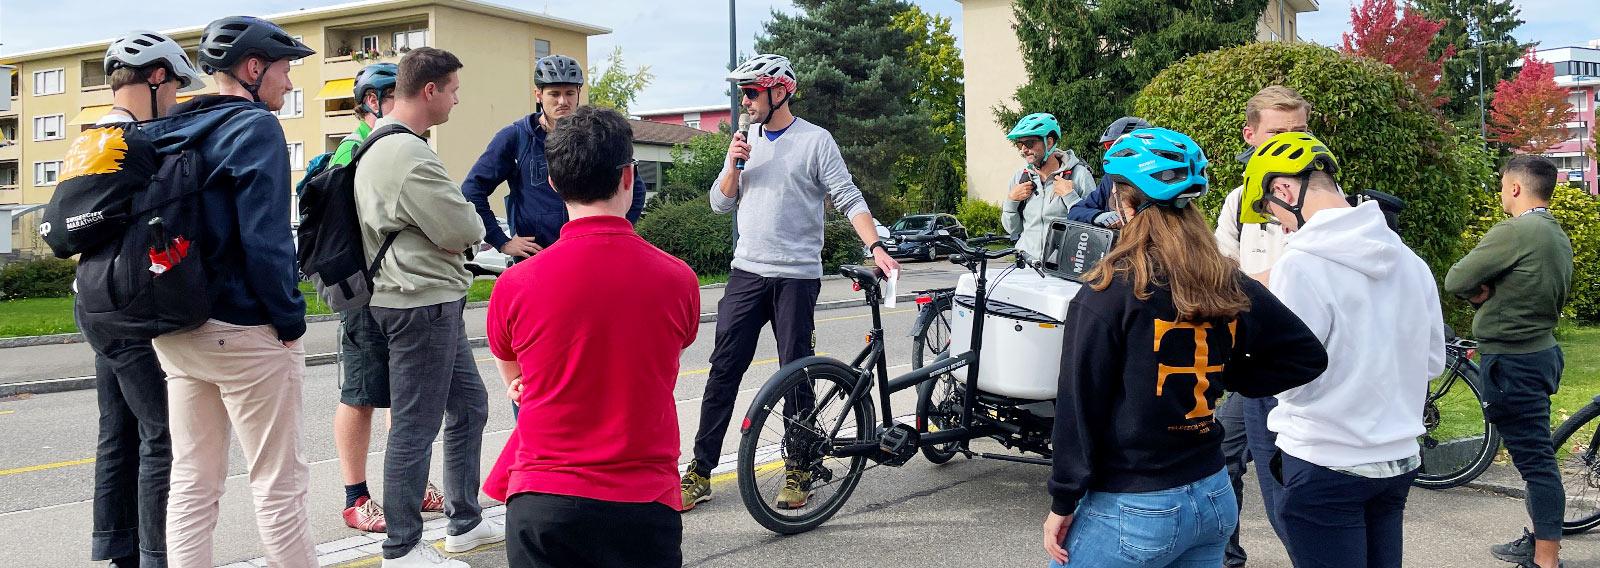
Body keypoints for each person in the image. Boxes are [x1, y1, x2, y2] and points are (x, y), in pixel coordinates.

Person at [1043, 127, 1328, 567]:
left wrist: (1063, 501)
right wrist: (1225, 370)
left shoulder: (1108, 291)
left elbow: (1079, 406)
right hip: (1212, 494)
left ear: (1125, 201)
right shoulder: (1225, 278)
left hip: (1134, 505)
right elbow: (1305, 355)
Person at [680, 53, 901, 510]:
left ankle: (799, 469)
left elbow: (847, 196)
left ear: (780, 91)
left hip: (796, 277)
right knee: (723, 370)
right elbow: (720, 205)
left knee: (796, 373)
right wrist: (734, 165)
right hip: (747, 272)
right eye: (743, 93)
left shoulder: (815, 141)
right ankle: (700, 471)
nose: (745, 101)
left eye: (752, 92)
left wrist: (874, 246)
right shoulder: (743, 141)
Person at [484, 105, 699, 568]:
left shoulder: (515, 285)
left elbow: (510, 359)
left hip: (542, 499)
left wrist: (518, 381)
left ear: (555, 183)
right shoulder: (678, 279)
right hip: (643, 500)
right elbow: (673, 344)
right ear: (628, 177)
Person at [137, 16, 316, 568]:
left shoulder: (164, 127)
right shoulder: (255, 128)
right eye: (284, 71)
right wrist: (289, 321)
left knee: (193, 480)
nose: (288, 84)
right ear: (253, 68)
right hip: (242, 330)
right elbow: (265, 242)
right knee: (279, 484)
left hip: (175, 326)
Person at [1239, 131, 1446, 567]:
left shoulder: (1301, 262)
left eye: (1272, 214)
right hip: (1396, 460)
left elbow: (1292, 374)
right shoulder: (1410, 260)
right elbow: (1431, 361)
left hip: (1324, 458)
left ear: (1284, 189)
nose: (1280, 225)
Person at [353, 47, 499, 567]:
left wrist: (453, 231)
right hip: (419, 304)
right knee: (415, 427)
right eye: (454, 90)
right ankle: (403, 549)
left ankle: (464, 522)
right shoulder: (407, 155)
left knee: (469, 406)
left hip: (430, 298)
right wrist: (464, 228)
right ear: (430, 90)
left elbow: (449, 230)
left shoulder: (390, 144)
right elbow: (464, 227)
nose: (458, 100)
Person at [77, 29, 206, 568]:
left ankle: (115, 550)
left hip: (91, 302)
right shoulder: (138, 145)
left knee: (117, 432)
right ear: (155, 78)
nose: (176, 97)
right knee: (162, 436)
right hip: (129, 309)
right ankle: (157, 557)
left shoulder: (88, 139)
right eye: (174, 85)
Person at [328, 61, 446, 533]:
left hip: (394, 293)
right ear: (374, 102)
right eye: (393, 97)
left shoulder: (397, 146)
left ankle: (411, 485)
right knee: (359, 395)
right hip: (363, 293)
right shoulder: (354, 149)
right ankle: (356, 497)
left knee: (402, 396)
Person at [1445, 156, 1573, 568]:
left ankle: (1545, 560)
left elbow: (1455, 279)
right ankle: (1539, 542)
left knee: (1536, 462)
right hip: (1541, 353)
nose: (1501, 192)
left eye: (1503, 185)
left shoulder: (1517, 232)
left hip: (1513, 361)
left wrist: (1480, 292)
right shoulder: (1555, 233)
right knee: (1538, 456)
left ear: (1516, 188)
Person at [1209, 85, 1313, 562]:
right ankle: (1227, 558)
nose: (1290, 143)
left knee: (1297, 495)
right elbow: (1220, 278)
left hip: (1306, 370)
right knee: (1223, 455)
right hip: (1254, 367)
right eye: (1277, 132)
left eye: (1299, 130)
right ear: (1251, 136)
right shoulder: (1237, 203)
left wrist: (1254, 286)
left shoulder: (1320, 196)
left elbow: (1311, 276)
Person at [461, 54, 645, 262]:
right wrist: (501, 241)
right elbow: (472, 189)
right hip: (537, 258)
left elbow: (635, 188)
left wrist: (616, 230)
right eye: (554, 94)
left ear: (579, 93)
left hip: (593, 253)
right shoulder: (516, 137)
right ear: (538, 94)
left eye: (569, 93)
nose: (562, 101)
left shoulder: (598, 134)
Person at [1001, 112, 1096, 258]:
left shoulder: (1080, 175)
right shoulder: (1019, 178)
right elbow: (1012, 229)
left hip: (1063, 267)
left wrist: (1070, 197)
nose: (1023, 150)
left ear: (1049, 142)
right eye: (1020, 144)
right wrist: (1011, 201)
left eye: (1029, 143)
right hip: (1026, 265)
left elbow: (1093, 227)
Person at [1066, 116, 1151, 229]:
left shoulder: (1160, 179)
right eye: (1108, 147)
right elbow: (1076, 211)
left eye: (1115, 147)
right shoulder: (1111, 179)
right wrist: (1100, 217)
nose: (1111, 153)